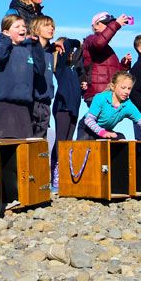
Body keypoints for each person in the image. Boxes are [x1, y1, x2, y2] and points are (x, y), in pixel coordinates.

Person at [0, 15, 44, 139]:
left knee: (24, 148)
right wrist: (5, 39)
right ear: (6, 32)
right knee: (8, 147)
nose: (22, 29)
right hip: (3, 105)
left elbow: (40, 69)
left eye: (24, 26)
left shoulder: (28, 49)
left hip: (24, 107)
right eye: (17, 26)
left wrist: (36, 46)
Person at [78, 71, 141, 141]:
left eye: (129, 88)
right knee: (85, 149)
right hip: (87, 129)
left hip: (105, 130)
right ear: (113, 87)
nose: (127, 92)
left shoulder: (128, 105)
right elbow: (89, 120)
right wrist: (102, 132)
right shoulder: (100, 98)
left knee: (121, 139)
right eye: (123, 88)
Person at [80, 11, 134, 106]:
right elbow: (99, 43)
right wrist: (116, 24)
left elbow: (116, 74)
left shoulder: (108, 50)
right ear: (95, 26)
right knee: (97, 120)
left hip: (109, 94)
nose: (108, 26)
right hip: (98, 94)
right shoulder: (90, 40)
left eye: (109, 24)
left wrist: (124, 64)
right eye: (106, 24)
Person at [50, 36, 83, 189]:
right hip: (62, 108)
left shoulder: (73, 69)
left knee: (68, 142)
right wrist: (66, 43)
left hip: (73, 108)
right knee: (61, 141)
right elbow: (72, 44)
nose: (71, 53)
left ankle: (64, 172)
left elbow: (79, 48)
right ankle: (55, 173)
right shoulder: (61, 67)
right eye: (68, 51)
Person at [29, 16, 58, 139]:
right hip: (31, 103)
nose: (51, 28)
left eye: (52, 26)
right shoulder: (28, 49)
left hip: (45, 105)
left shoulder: (50, 54)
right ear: (36, 29)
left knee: (40, 147)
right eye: (46, 25)